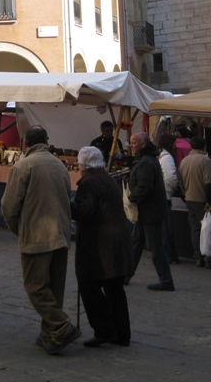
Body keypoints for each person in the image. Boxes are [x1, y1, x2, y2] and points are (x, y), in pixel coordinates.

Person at [1, 125, 81, 355]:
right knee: (54, 288)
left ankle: (61, 325)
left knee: (35, 287)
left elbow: (9, 206)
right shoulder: (60, 165)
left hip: (37, 234)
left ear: (26, 143)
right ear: (46, 141)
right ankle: (51, 335)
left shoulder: (23, 166)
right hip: (61, 232)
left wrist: (18, 228)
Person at [71, 146, 133, 348]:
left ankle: (104, 329)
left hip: (100, 244)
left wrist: (67, 202)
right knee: (114, 288)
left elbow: (84, 212)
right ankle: (121, 334)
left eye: (79, 164)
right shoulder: (106, 178)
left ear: (84, 165)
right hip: (117, 239)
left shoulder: (89, 183)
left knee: (90, 285)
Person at [127, 132, 175, 290]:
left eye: (134, 143)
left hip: (150, 211)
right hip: (146, 211)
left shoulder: (146, 162)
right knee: (136, 243)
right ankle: (126, 274)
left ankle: (166, 280)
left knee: (155, 246)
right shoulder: (145, 159)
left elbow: (144, 186)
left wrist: (132, 198)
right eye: (131, 143)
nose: (131, 145)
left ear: (143, 144)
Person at [179, 136, 211, 268]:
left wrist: (185, 196)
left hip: (189, 198)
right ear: (204, 146)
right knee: (210, 228)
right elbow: (209, 183)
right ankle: (210, 258)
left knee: (195, 229)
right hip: (202, 199)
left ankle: (198, 256)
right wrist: (209, 201)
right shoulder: (205, 160)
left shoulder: (184, 161)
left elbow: (180, 183)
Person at [156, 131, 180, 263]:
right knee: (167, 227)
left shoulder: (161, 157)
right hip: (166, 194)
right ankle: (170, 255)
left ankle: (168, 255)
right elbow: (171, 178)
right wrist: (175, 187)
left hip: (162, 194)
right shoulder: (167, 158)